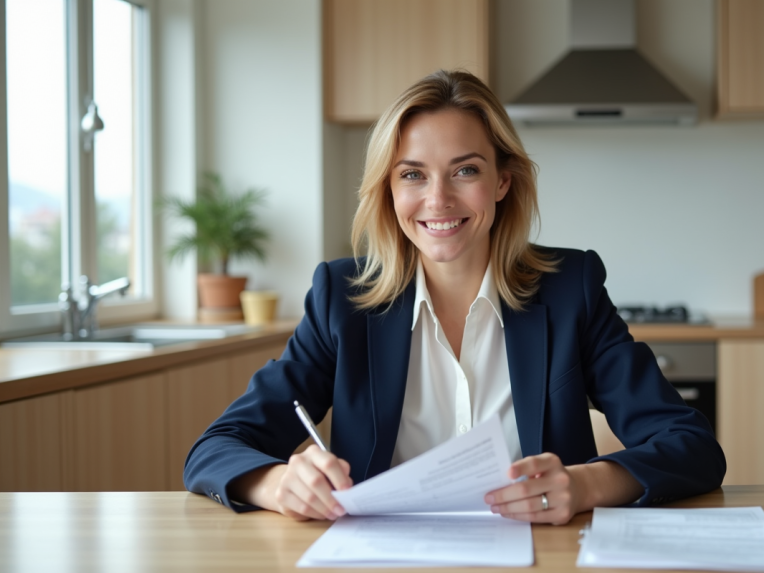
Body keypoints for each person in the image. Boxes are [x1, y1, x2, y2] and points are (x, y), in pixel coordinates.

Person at [184, 70, 726, 526]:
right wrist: (278, 483)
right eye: (412, 175)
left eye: (465, 170)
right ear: (389, 190)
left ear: (502, 182)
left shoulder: (570, 289)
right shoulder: (341, 301)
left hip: (543, 555)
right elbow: (215, 447)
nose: (437, 199)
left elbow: (692, 445)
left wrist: (585, 486)